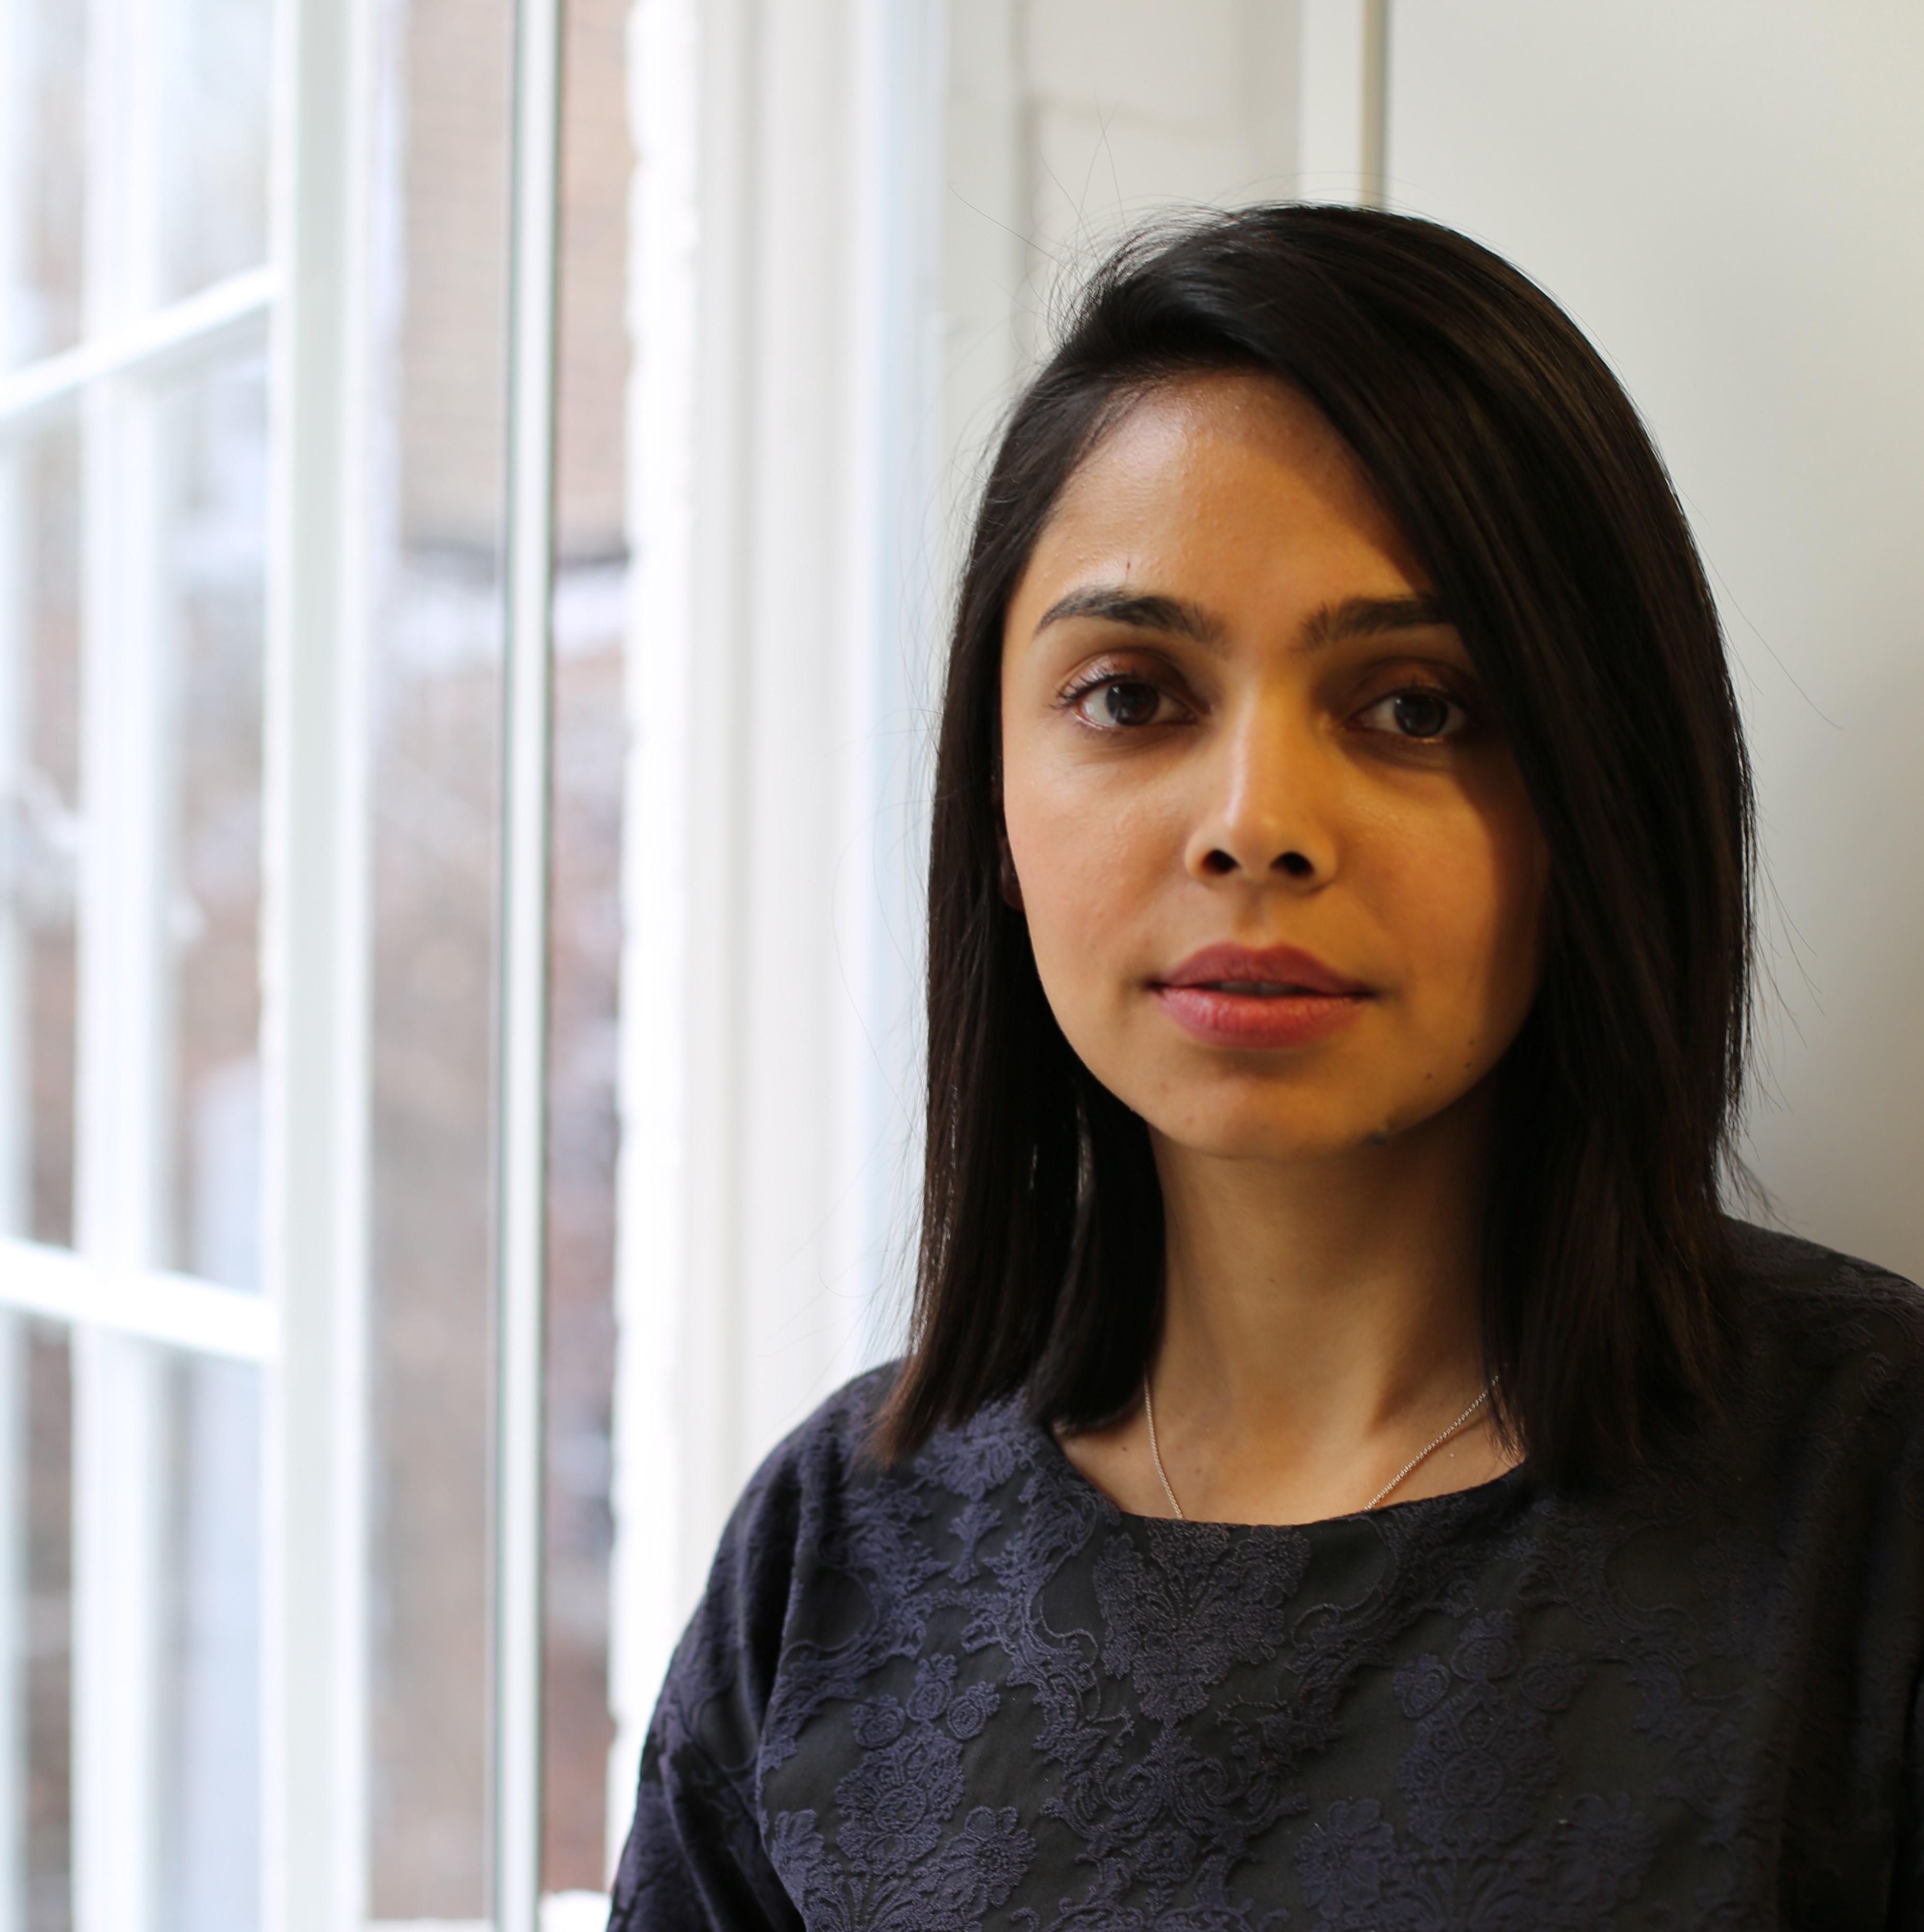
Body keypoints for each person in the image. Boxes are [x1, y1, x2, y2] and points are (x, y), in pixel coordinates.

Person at [608, 205, 1924, 1928]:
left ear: (1603, 796)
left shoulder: (1872, 1505)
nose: (1255, 824)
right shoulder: (831, 1562)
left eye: (1416, 706)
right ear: (993, 801)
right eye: (1131, 696)